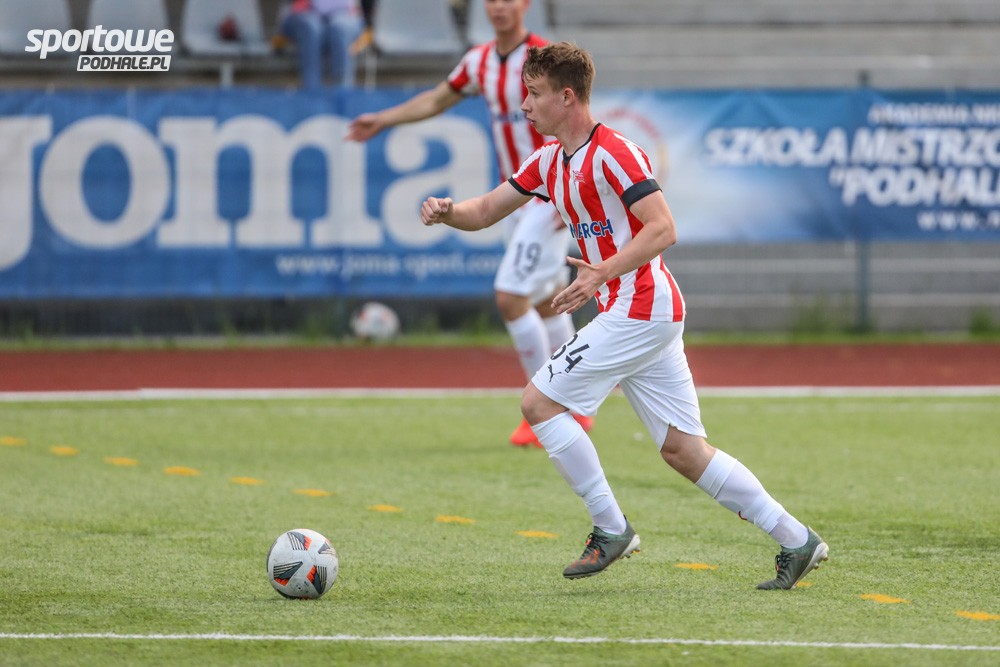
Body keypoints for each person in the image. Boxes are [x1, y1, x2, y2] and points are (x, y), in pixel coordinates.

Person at [419, 42, 829, 589]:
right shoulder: (548, 161)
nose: (525, 106)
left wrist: (601, 273)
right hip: (640, 311)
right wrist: (448, 212)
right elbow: (487, 210)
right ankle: (797, 540)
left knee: (538, 403)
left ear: (567, 97)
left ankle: (611, 529)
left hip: (641, 307)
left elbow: (663, 228)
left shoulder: (616, 152)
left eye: (534, 94)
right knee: (684, 450)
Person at [346, 0, 592, 448]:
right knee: (542, 301)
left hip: (548, 192)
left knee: (510, 296)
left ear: (525, 4)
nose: (499, 6)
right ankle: (578, 405)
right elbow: (437, 99)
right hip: (515, 195)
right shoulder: (479, 61)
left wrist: (572, 191)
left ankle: (549, 408)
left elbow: (580, 119)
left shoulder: (545, 59)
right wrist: (383, 119)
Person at [280, 0, 364, 89]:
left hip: (344, 13)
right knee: (311, 28)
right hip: (304, 13)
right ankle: (312, 90)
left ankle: (342, 91)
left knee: (340, 29)